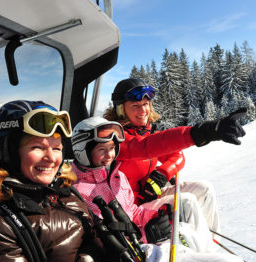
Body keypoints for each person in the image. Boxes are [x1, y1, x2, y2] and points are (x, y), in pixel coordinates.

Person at [0, 100, 256, 262]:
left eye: (56, 147)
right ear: (9, 151)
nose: (50, 157)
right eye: (37, 147)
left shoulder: (60, 192)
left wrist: (134, 236)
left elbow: (103, 241)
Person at [104, 77, 246, 246]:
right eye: (135, 106)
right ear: (121, 110)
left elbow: (177, 156)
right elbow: (144, 148)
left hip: (148, 197)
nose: (143, 110)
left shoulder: (145, 132)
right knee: (186, 202)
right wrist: (204, 132)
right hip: (130, 209)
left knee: (204, 189)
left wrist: (161, 174)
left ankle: (211, 246)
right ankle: (203, 258)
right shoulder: (114, 139)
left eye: (146, 104)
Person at [71, 116, 213, 251]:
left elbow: (133, 212)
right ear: (82, 152)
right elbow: (107, 237)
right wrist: (148, 235)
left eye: (112, 148)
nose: (109, 155)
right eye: (102, 149)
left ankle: (207, 252)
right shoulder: (80, 192)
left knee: (187, 230)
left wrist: (156, 215)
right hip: (133, 252)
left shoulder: (117, 176)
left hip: (141, 235)